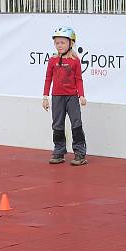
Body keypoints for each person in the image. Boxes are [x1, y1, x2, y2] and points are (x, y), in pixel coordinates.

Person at [42, 27, 88, 166]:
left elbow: (79, 79)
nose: (59, 45)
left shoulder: (75, 61)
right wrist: (45, 97)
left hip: (72, 97)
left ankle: (80, 152)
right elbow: (48, 78)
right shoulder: (52, 60)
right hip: (57, 97)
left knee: (76, 123)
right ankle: (59, 150)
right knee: (57, 124)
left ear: (70, 44)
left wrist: (81, 95)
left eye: (62, 42)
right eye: (57, 43)